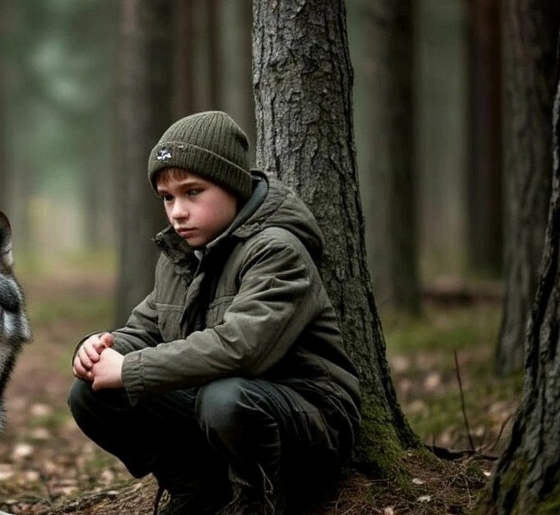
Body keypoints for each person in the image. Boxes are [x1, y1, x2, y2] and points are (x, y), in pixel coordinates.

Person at [67, 111, 361, 515]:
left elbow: (243, 348)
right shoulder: (181, 256)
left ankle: (257, 503)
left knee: (224, 398)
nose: (177, 212)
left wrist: (131, 369)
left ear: (232, 186)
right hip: (222, 410)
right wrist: (96, 349)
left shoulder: (276, 250)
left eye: (193, 192)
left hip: (308, 419)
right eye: (168, 198)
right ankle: (200, 493)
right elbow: (146, 328)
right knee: (92, 395)